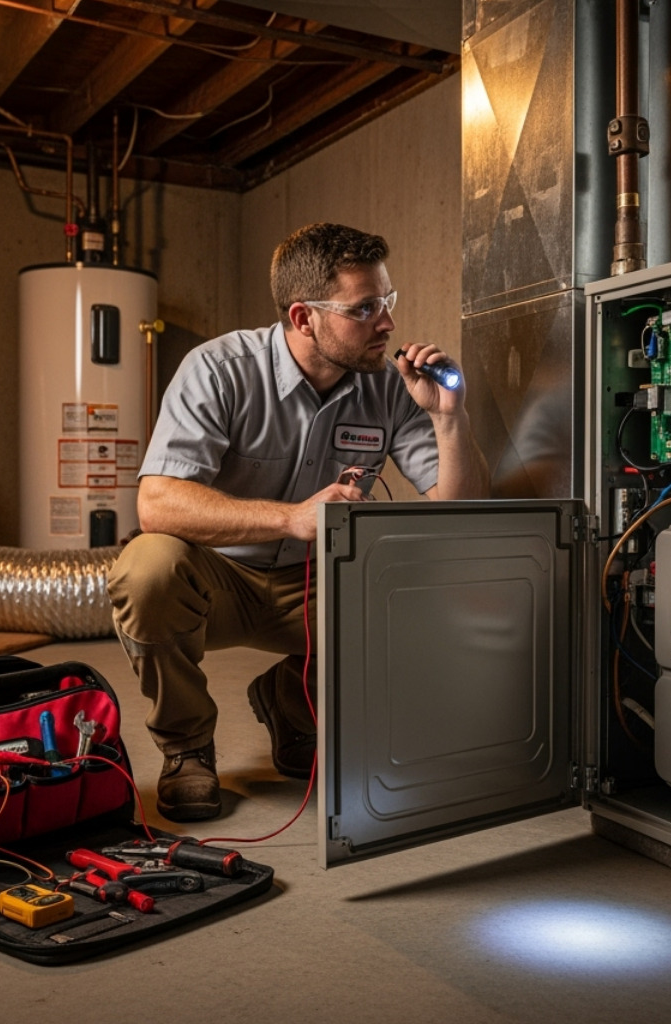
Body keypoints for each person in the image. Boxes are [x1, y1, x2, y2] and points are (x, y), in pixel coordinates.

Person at [107, 222, 489, 821]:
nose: (386, 323)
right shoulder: (219, 369)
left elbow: (459, 517)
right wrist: (291, 518)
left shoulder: (390, 387)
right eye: (364, 308)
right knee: (147, 569)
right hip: (220, 582)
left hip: (316, 584)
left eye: (386, 302)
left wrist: (449, 419)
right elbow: (157, 503)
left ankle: (291, 698)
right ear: (303, 316)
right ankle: (186, 748)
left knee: (430, 591)